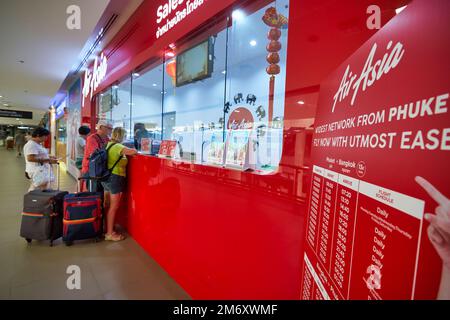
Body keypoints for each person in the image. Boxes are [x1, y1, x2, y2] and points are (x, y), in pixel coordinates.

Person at [101, 127, 137, 241]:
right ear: (121, 136)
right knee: (113, 207)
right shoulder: (118, 147)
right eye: (125, 136)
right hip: (115, 178)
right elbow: (133, 152)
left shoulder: (108, 144)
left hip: (105, 178)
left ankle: (105, 227)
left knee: (106, 205)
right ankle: (110, 233)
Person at [81, 120, 113, 191]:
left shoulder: (107, 139)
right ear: (101, 127)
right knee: (93, 192)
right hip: (91, 170)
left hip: (101, 170)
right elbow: (96, 154)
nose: (111, 131)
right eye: (109, 128)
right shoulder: (92, 138)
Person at [23, 127, 58, 192]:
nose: (46, 138)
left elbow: (39, 155)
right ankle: (33, 200)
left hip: (40, 170)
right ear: (38, 135)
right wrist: (48, 160)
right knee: (36, 189)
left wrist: (49, 157)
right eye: (45, 136)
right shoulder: (31, 145)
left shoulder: (37, 144)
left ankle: (38, 200)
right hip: (36, 170)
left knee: (41, 188)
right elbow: (30, 158)